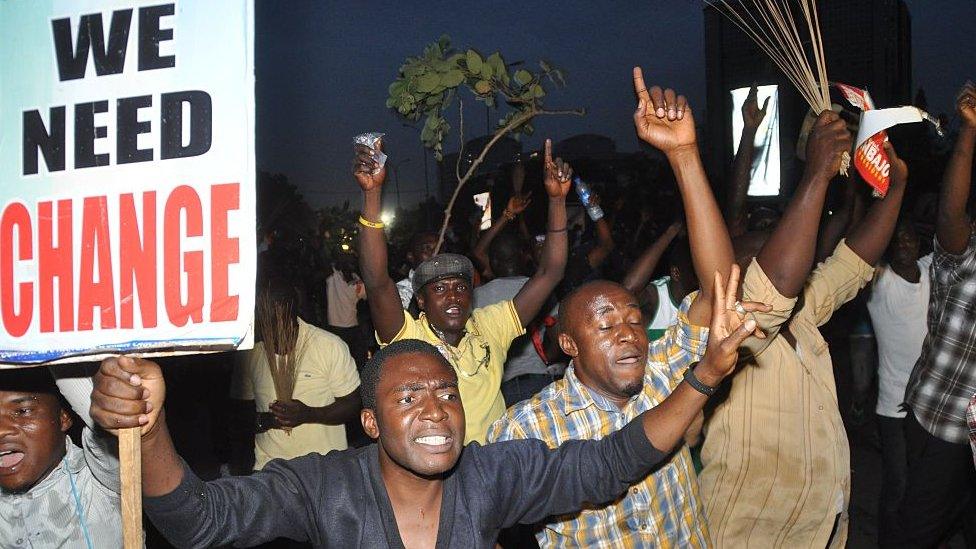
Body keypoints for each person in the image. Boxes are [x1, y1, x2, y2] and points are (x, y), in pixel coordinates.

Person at [89, 284, 759, 549]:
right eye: (408, 398)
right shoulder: (323, 487)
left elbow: (613, 460)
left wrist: (702, 376)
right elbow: (197, 520)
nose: (436, 409)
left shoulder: (495, 473)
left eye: (445, 392)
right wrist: (148, 430)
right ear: (371, 422)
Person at [489, 70, 752, 547]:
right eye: (606, 325)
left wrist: (684, 156)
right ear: (568, 343)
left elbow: (715, 293)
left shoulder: (663, 371)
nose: (629, 333)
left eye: (634, 319)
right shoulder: (528, 427)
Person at [698, 111, 907, 548]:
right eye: (750, 238)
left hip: (820, 525)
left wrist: (895, 190)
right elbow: (774, 281)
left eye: (771, 234)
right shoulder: (724, 326)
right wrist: (815, 175)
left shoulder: (803, 311)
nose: (764, 239)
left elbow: (855, 259)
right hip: (752, 531)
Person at [355, 138, 570, 444]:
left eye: (460, 287)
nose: (453, 296)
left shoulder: (490, 326)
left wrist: (558, 201)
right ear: (421, 300)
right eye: (439, 288)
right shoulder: (409, 338)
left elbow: (550, 273)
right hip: (438, 471)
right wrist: (372, 193)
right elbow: (377, 282)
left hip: (494, 467)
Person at [897, 82, 976, 547]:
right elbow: (950, 210)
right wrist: (968, 134)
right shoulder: (963, 252)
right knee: (917, 533)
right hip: (942, 423)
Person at [230, 280, 361, 471]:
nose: (275, 319)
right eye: (266, 312)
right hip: (270, 469)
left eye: (280, 310)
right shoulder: (250, 354)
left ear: (293, 308)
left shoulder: (329, 346)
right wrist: (266, 420)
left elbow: (353, 403)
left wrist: (308, 414)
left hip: (324, 467)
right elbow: (238, 415)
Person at [1, 367, 126, 548]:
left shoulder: (101, 477)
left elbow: (106, 418)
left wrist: (48, 343)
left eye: (22, 411)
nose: (2, 430)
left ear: (63, 418)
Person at [865, 219, 931, 546]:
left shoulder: (930, 270)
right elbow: (861, 252)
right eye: (897, 241)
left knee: (926, 485)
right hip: (892, 406)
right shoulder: (881, 283)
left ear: (919, 244)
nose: (904, 245)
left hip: (929, 403)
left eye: (910, 239)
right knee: (898, 484)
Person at [474, 231, 562, 406]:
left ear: (493, 262)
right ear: (523, 257)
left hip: (500, 389)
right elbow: (558, 337)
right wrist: (545, 358)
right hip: (539, 380)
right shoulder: (539, 291)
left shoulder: (476, 297)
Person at [325, 255, 368, 367]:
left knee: (343, 361)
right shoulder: (334, 276)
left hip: (340, 327)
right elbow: (365, 297)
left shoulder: (335, 276)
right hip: (347, 327)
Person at [395, 231, 438, 309]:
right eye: (427, 248)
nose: (435, 254)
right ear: (411, 256)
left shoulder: (453, 285)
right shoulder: (402, 292)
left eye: (439, 249)